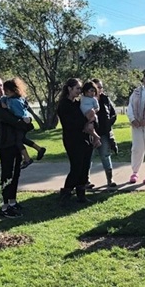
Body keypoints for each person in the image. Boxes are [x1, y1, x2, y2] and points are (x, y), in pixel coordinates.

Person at [0, 75, 30, 218]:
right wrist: (25, 123)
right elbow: (12, 120)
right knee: (7, 175)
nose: (1, 89)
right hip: (5, 144)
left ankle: (12, 202)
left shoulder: (8, 101)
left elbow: (22, 111)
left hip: (14, 142)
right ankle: (4, 207)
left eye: (2, 86)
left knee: (16, 173)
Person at [57, 78, 94, 206]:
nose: (80, 91)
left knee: (85, 166)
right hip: (72, 140)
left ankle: (81, 194)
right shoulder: (63, 105)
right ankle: (65, 193)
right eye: (77, 88)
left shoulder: (78, 103)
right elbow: (69, 123)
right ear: (69, 89)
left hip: (84, 139)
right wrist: (85, 123)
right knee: (76, 167)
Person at [1, 77, 46, 169]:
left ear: (12, 90)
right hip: (23, 123)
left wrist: (7, 109)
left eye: (6, 91)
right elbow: (4, 98)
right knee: (23, 139)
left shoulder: (15, 101)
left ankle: (27, 159)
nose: (5, 93)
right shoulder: (14, 98)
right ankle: (39, 149)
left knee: (18, 141)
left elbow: (19, 113)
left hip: (22, 123)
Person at [91, 78, 118, 188]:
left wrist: (108, 124)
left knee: (106, 155)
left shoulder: (105, 99)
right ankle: (85, 181)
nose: (99, 89)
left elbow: (113, 114)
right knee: (88, 157)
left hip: (104, 133)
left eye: (101, 87)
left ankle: (110, 179)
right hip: (91, 134)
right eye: (97, 87)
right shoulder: (87, 100)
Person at [79, 81, 103, 148]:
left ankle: (97, 137)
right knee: (87, 129)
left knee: (89, 128)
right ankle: (96, 140)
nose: (93, 93)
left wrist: (93, 111)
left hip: (91, 116)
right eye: (91, 91)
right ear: (86, 91)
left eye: (94, 91)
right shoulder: (82, 98)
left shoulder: (94, 99)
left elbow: (97, 108)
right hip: (85, 116)